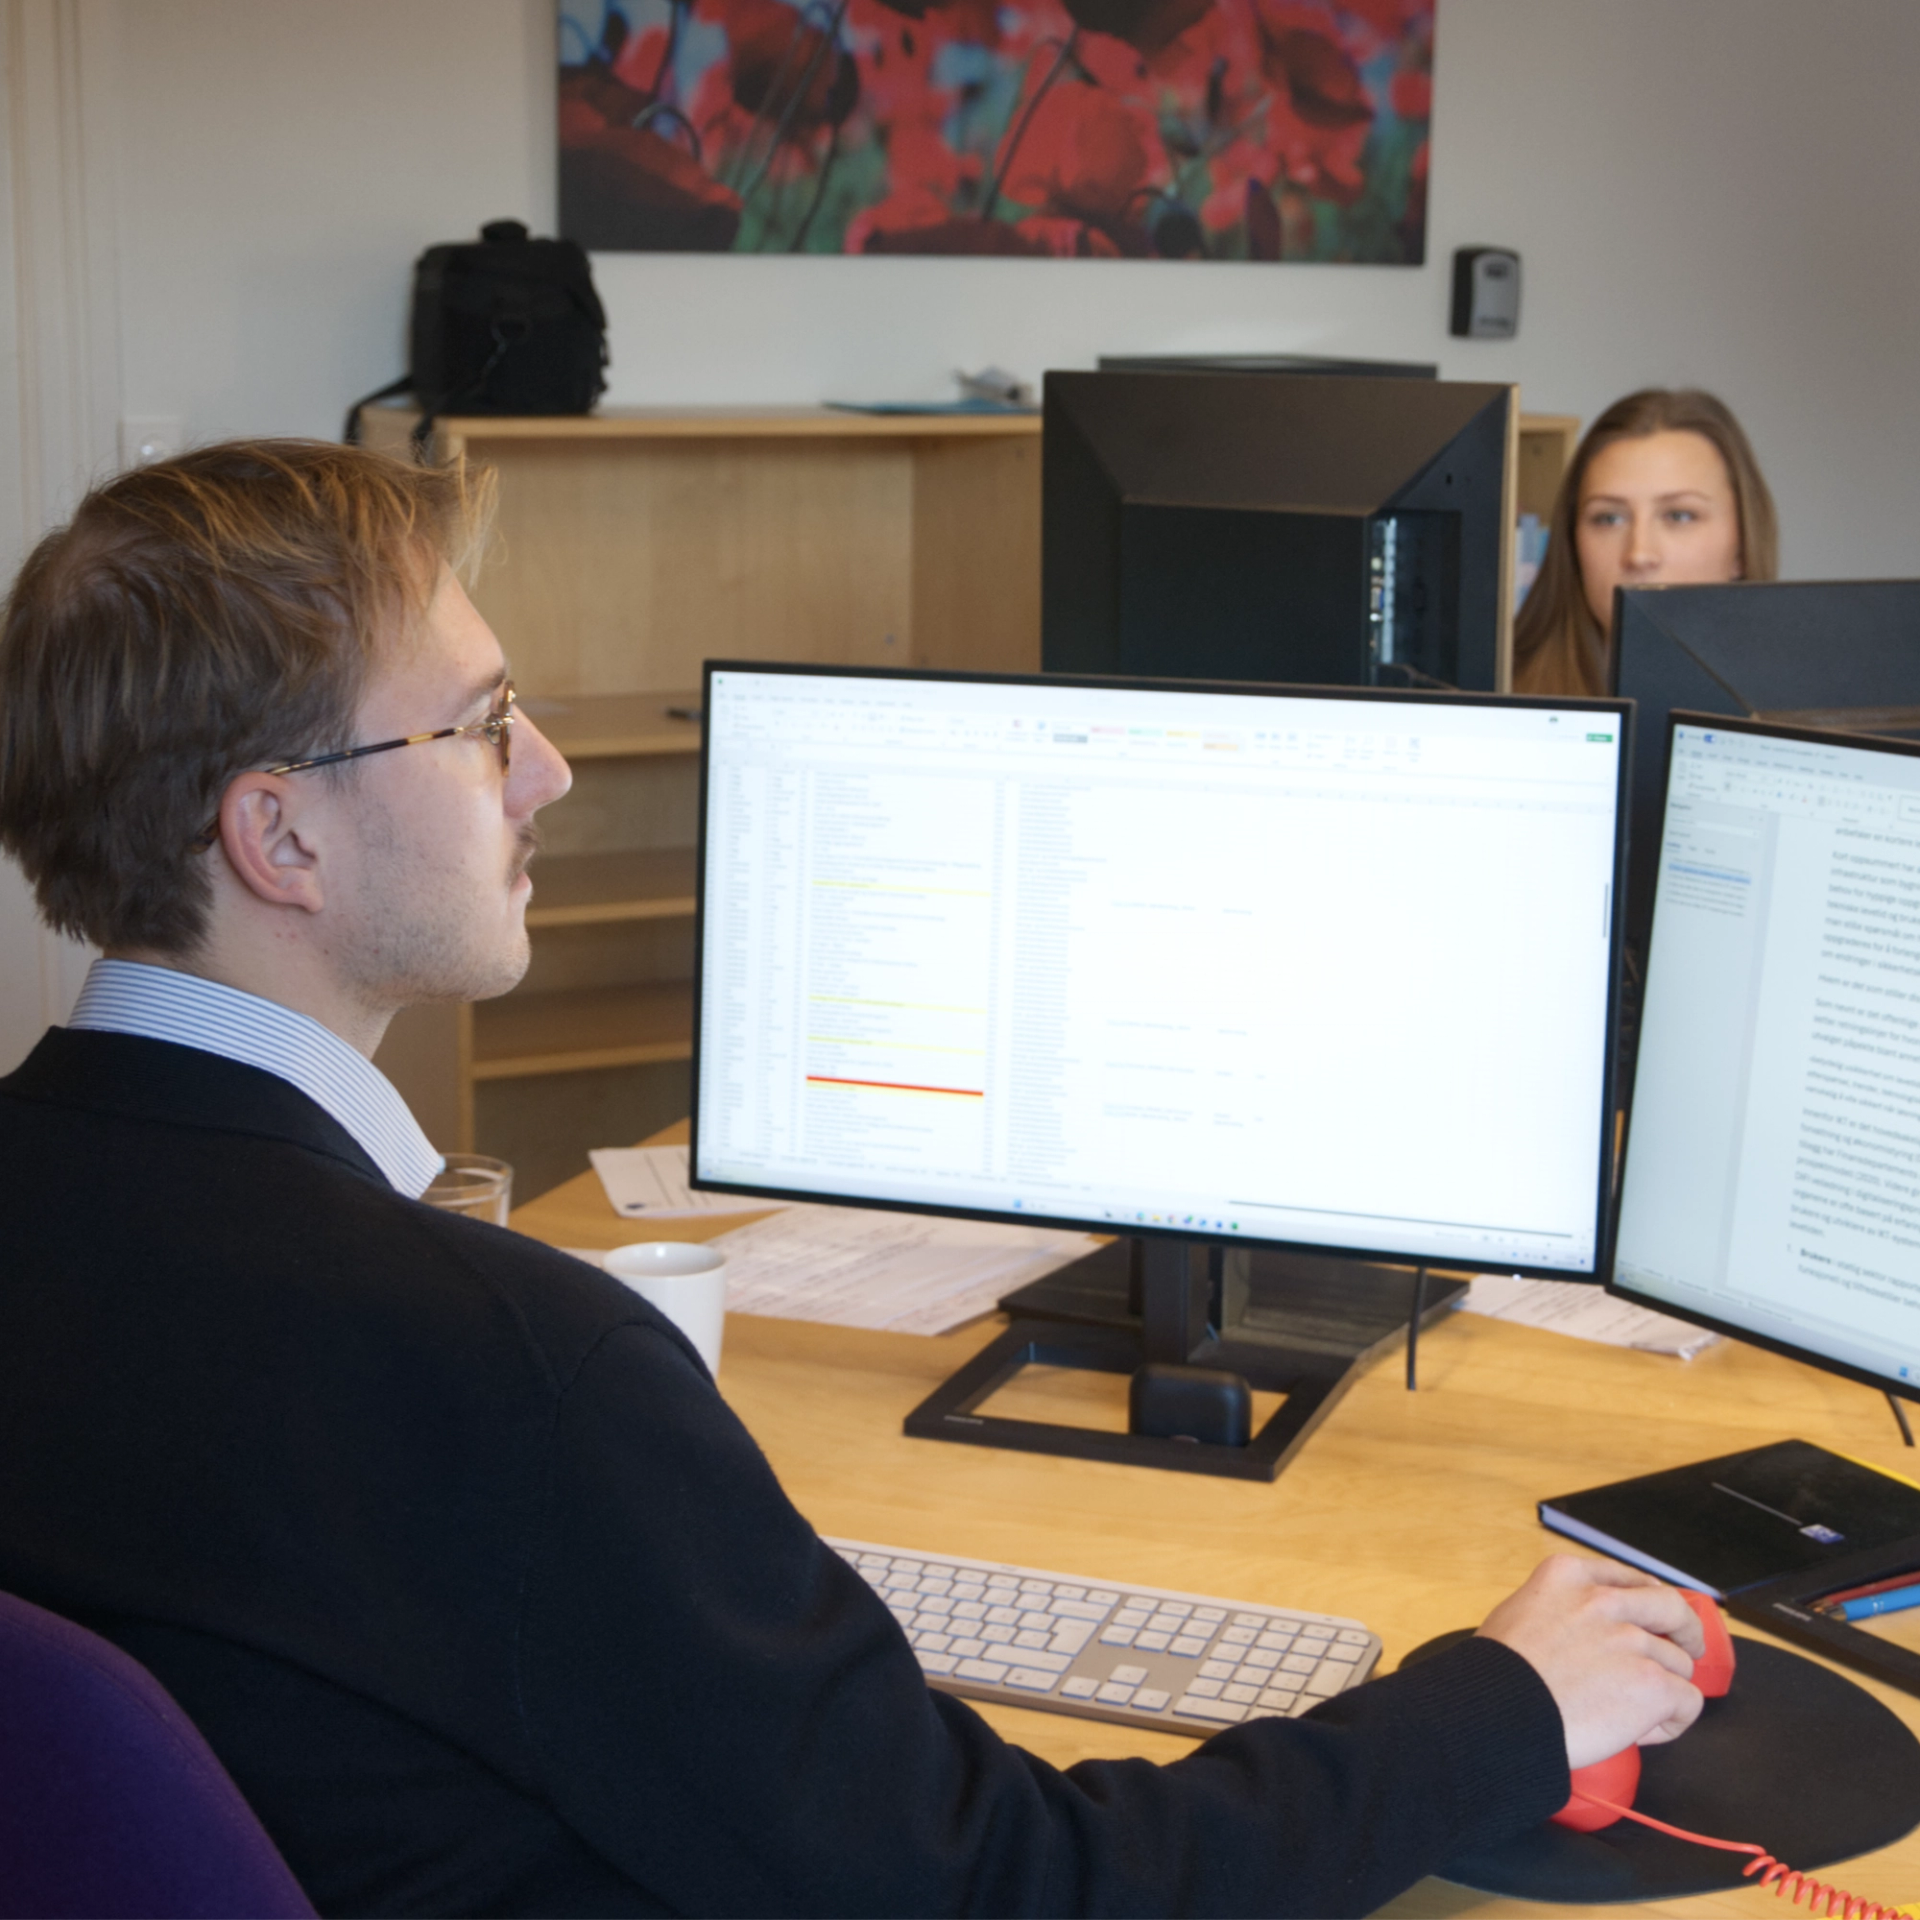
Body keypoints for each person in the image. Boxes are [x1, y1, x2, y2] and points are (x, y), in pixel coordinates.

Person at [0, 440, 1708, 1919]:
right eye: (479, 725)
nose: (548, 773)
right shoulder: (509, 1363)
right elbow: (1006, 1888)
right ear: (278, 836)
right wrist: (1497, 1704)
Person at [1514, 388, 1779, 699]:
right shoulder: (1492, 701)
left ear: (1742, 549)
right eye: (1609, 519)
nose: (1639, 554)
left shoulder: (1806, 713)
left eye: (1679, 516)